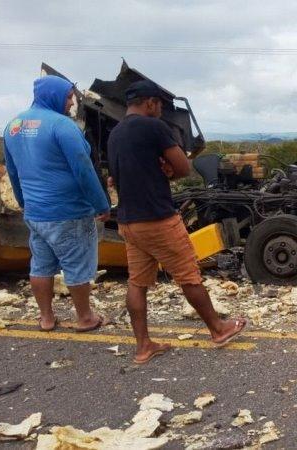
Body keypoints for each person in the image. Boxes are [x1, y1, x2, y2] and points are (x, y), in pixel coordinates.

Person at [107, 80, 247, 364]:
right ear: (150, 103)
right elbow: (184, 167)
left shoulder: (115, 133)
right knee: (188, 275)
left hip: (128, 221)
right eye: (159, 105)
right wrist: (169, 171)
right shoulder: (154, 127)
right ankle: (218, 329)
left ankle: (144, 346)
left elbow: (115, 177)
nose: (161, 111)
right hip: (158, 219)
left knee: (137, 282)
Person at [3, 75, 111, 332]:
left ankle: (47, 318)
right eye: (68, 96)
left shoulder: (13, 125)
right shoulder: (63, 126)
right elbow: (84, 169)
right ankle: (85, 318)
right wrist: (101, 204)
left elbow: (13, 170)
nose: (71, 102)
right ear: (53, 95)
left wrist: (23, 202)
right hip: (68, 212)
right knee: (76, 265)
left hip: (36, 213)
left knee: (41, 265)